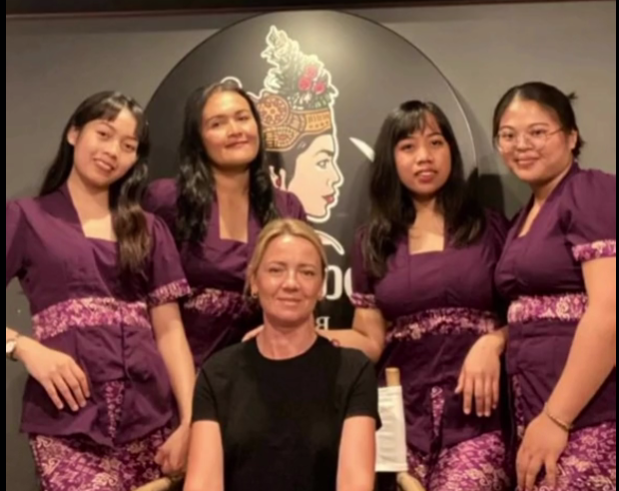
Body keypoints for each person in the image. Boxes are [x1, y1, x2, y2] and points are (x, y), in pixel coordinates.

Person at [5, 92, 196, 490]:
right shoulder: (26, 217)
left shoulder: (149, 229)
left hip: (149, 417)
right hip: (66, 416)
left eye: (128, 145)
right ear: (74, 133)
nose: (112, 152)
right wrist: (23, 347)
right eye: (104, 134)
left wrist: (191, 420)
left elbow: (170, 331)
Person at [323, 101, 512, 490]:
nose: (424, 157)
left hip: (478, 416)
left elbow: (525, 316)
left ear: (451, 151)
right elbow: (370, 340)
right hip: (401, 417)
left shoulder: (489, 228)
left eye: (435, 142)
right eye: (408, 146)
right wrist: (305, 336)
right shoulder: (371, 241)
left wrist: (494, 342)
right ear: (391, 159)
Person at [183, 218, 378, 491]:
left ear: (322, 285)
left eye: (307, 272)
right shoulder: (217, 374)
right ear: (254, 281)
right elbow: (203, 485)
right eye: (276, 270)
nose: (291, 283)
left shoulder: (353, 372)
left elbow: (355, 485)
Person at [493, 82, 616, 491]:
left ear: (572, 136)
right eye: (508, 135)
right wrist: (494, 340)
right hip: (535, 412)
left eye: (537, 132)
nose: (521, 145)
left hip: (591, 415)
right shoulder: (521, 217)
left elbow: (610, 311)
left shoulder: (592, 192)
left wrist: (556, 418)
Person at [143, 80, 306, 368]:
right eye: (217, 124)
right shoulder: (166, 200)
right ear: (198, 139)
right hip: (181, 374)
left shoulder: (287, 208)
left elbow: (303, 297)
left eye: (243, 118)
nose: (235, 131)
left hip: (263, 374)